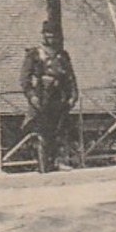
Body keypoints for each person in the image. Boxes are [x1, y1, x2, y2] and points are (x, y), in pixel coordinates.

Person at [21, 21, 79, 173]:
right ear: (43, 35)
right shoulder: (34, 54)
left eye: (54, 35)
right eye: (48, 34)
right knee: (43, 132)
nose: (51, 38)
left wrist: (73, 95)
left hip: (59, 96)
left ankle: (59, 161)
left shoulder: (62, 55)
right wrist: (32, 96)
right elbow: (24, 79)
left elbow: (70, 77)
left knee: (60, 130)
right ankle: (43, 165)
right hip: (42, 96)